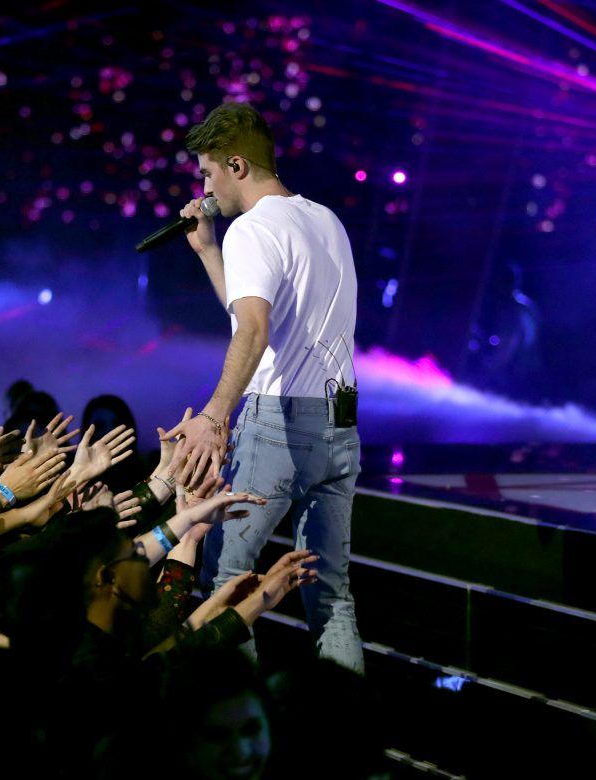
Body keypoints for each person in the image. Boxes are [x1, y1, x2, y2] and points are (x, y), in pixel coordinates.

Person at [166, 101, 364, 673]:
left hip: (277, 423)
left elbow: (253, 330)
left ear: (237, 165)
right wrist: (206, 249)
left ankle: (244, 734)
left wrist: (213, 415)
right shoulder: (325, 220)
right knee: (331, 592)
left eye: (207, 172)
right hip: (339, 424)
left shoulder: (252, 228)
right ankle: (350, 727)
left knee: (226, 582)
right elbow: (257, 316)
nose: (204, 187)